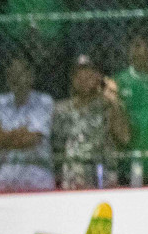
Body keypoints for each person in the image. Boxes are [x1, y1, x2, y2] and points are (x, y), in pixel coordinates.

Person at [50, 55, 129, 191]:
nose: (84, 80)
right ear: (72, 79)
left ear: (98, 77)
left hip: (103, 175)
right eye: (79, 76)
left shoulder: (107, 105)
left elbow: (124, 137)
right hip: (73, 177)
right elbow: (56, 149)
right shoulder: (61, 109)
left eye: (89, 75)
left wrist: (114, 101)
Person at [0, 54, 55, 191]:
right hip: (6, 178)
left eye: (20, 73)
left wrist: (1, 135)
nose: (15, 78)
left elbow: (30, 140)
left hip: (37, 178)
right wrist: (16, 134)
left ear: (31, 76)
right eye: (11, 74)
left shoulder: (44, 101)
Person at [114, 34, 148, 185]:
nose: (141, 52)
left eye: (146, 47)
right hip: (129, 162)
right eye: (136, 46)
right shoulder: (118, 81)